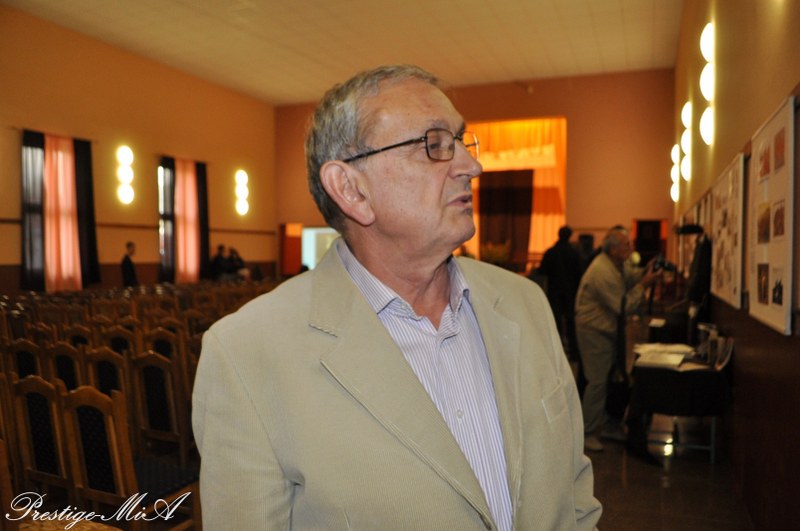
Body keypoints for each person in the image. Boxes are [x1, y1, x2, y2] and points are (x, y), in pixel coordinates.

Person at [192, 65, 601, 530]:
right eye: (433, 143)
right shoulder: (246, 353)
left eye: (460, 141)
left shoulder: (524, 303)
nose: (472, 167)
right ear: (351, 190)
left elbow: (575, 497)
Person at [574, 227, 660, 452]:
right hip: (594, 331)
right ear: (613, 250)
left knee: (611, 377)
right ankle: (586, 433)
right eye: (626, 245)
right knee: (597, 381)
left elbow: (627, 277)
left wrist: (645, 272)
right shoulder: (602, 271)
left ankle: (607, 424)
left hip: (604, 329)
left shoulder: (613, 265)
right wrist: (644, 285)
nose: (630, 248)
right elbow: (622, 305)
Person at [537, 225, 583, 361]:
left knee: (555, 323)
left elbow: (542, 271)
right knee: (571, 322)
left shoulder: (551, 252)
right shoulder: (574, 253)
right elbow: (580, 272)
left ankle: (557, 353)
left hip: (554, 292)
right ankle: (573, 352)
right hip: (570, 293)